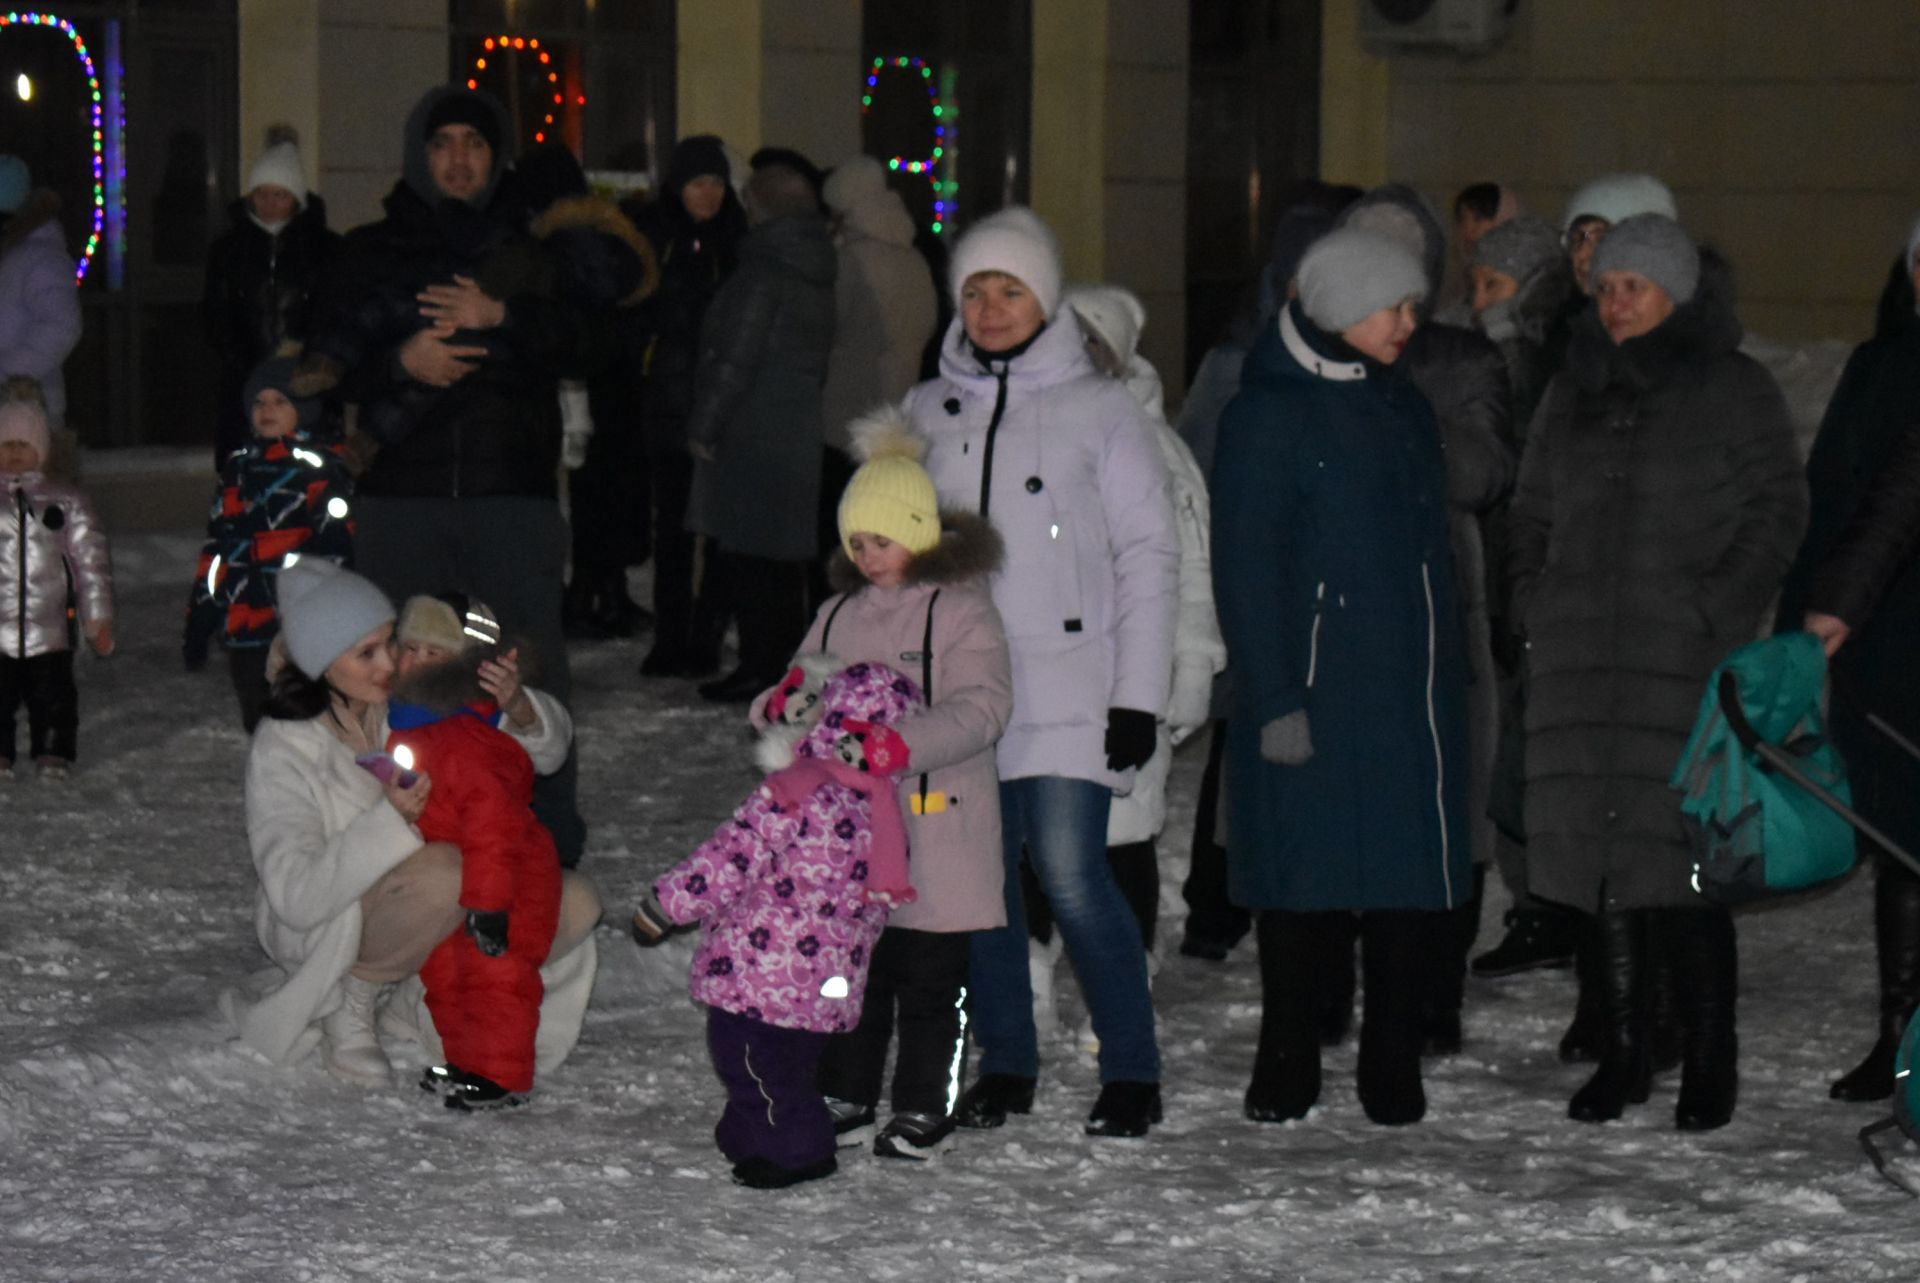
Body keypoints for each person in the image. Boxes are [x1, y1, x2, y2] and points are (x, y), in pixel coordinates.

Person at [1506, 214, 1806, 1131]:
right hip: (1581, 669)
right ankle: (1626, 1049)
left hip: (1678, 665)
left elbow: (1777, 507)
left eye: (1635, 285)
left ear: (1678, 290)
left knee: (1682, 870)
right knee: (1605, 868)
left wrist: (1713, 610)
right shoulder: (1572, 391)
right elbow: (1529, 513)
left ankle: (1710, 1053)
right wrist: (1534, 603)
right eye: (1606, 288)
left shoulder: (1732, 388)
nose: (1617, 302)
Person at [904, 207, 1178, 1139]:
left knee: (1071, 873)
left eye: (1009, 289)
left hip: (1069, 685)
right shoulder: (928, 409)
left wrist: (1139, 693)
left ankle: (1131, 1067)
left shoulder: (1103, 411)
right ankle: (1007, 1062)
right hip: (958, 695)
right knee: (980, 883)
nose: (989, 308)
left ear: (1047, 298)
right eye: (974, 291)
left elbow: (1150, 553)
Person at [300, 84, 603, 865]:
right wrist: (401, 360)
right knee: (402, 668)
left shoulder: (534, 248)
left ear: (495, 156)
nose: (459, 158)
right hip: (406, 499)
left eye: (474, 142)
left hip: (509, 500)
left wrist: (500, 317)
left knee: (515, 662)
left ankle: (542, 835)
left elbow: (590, 341)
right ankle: (406, 832)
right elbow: (326, 364)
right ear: (419, 156)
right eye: (443, 144)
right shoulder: (371, 249)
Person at [1212, 227, 1469, 1127]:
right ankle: (1288, 1053)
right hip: (1312, 688)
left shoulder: (1403, 408)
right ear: (1338, 306)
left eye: (1412, 305)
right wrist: (1274, 694)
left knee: (1401, 882)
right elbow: (1245, 565)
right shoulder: (1266, 413)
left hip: (1405, 688)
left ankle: (1390, 1058)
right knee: (1300, 880)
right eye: (1393, 305)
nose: (1410, 322)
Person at [223, 559, 598, 1089]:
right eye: (366, 653)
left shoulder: (413, 702)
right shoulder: (286, 744)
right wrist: (389, 822)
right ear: (321, 664)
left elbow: (546, 753)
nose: (393, 663)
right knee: (448, 872)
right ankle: (351, 998)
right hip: (333, 919)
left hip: (425, 902)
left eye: (391, 643)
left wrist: (515, 704)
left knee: (574, 901)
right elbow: (295, 895)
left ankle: (417, 994)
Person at [756, 405, 1015, 1161]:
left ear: (921, 531)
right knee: (853, 968)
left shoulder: (961, 611)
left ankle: (923, 1102)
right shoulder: (837, 614)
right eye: (858, 542)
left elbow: (984, 706)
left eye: (884, 539)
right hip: (854, 838)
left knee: (932, 978)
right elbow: (797, 687)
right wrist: (782, 706)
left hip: (939, 825)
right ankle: (849, 1087)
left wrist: (900, 742)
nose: (870, 556)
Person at [1336, 184, 1515, 1055]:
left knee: (1449, 803)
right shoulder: (1312, 358)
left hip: (1441, 600)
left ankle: (1434, 994)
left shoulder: (1459, 361)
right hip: (1340, 611)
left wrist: (1398, 429)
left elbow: (1481, 471)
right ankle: (1338, 988)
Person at [632, 661, 923, 1189]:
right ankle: (749, 1133)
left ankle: (799, 1150)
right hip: (827, 980)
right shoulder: (880, 806)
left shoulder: (797, 789)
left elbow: (730, 855)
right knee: (783, 1064)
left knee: (748, 1058)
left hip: (763, 970)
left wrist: (665, 905)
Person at [1175, 183, 1358, 965]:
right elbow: (1197, 472)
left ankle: (1283, 899)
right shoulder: (1237, 361)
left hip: (1319, 595)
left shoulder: (1357, 363)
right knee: (1244, 743)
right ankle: (1217, 905)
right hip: (1251, 589)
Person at [1776, 217, 1920, 1103]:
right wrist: (1815, 619)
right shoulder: (1884, 368)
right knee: (1905, 841)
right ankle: (1903, 1039)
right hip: (1893, 643)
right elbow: (1862, 502)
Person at [1060, 284, 1225, 950]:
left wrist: (1192, 664)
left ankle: (1124, 972)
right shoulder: (1027, 436)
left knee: (1122, 833)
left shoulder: (1157, 452)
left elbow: (1190, 568)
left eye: (1089, 342)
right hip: (1052, 673)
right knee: (1041, 832)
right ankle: (1038, 973)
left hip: (1131, 675)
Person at [386, 593, 562, 1111]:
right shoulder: (408, 723)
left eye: (432, 654)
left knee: (497, 974)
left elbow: (494, 827)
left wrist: (489, 906)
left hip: (510, 879)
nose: (414, 661)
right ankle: (467, 1062)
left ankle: (502, 1075)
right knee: (444, 972)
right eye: (408, 647)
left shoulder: (469, 737)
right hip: (457, 876)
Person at [683, 159, 837, 703]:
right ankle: (779, 668)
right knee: (779, 564)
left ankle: (761, 667)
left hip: (752, 432)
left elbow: (734, 360)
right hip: (793, 430)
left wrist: (704, 426)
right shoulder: (814, 264)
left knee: (750, 560)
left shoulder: (764, 272)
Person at [512, 141, 661, 642]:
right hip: (616, 377)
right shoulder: (610, 230)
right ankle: (606, 591)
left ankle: (581, 595)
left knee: (573, 497)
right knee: (607, 493)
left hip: (573, 382)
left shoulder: (552, 240)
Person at [183, 356, 355, 732]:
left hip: (298, 620)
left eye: (280, 402)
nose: (268, 410)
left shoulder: (319, 470)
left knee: (305, 711)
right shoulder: (238, 469)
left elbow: (338, 548)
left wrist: (332, 611)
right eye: (259, 402)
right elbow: (219, 546)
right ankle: (271, 778)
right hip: (246, 618)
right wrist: (204, 610)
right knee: (257, 712)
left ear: (302, 410)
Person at [634, 136, 748, 678]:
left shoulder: (739, 242)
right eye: (698, 183)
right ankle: (671, 636)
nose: (708, 195)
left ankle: (706, 634)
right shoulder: (657, 240)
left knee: (723, 529)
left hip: (725, 409)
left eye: (717, 184)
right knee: (673, 531)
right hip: (670, 405)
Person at [817, 155, 938, 604]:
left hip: (847, 411)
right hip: (900, 409)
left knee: (848, 532)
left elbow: (829, 332)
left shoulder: (848, 262)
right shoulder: (915, 257)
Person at [202, 134, 341, 468]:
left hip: (305, 380)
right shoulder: (229, 249)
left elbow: (333, 310)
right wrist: (240, 360)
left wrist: (308, 358)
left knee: (308, 470)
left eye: (279, 195)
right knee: (244, 467)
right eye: (261, 194)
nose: (269, 203)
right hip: (245, 379)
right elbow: (215, 314)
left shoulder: (325, 249)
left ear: (296, 198)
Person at [1, 385, 113, 778]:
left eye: (23, 444)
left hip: (49, 626)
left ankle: (53, 748)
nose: (13, 453)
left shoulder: (65, 501)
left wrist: (96, 616)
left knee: (53, 695)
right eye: (5, 443)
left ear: (41, 448)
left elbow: (90, 563)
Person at [0, 157, 83, 439]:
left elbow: (61, 325)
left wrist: (7, 374)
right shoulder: (15, 256)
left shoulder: (40, 258)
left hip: (26, 416)